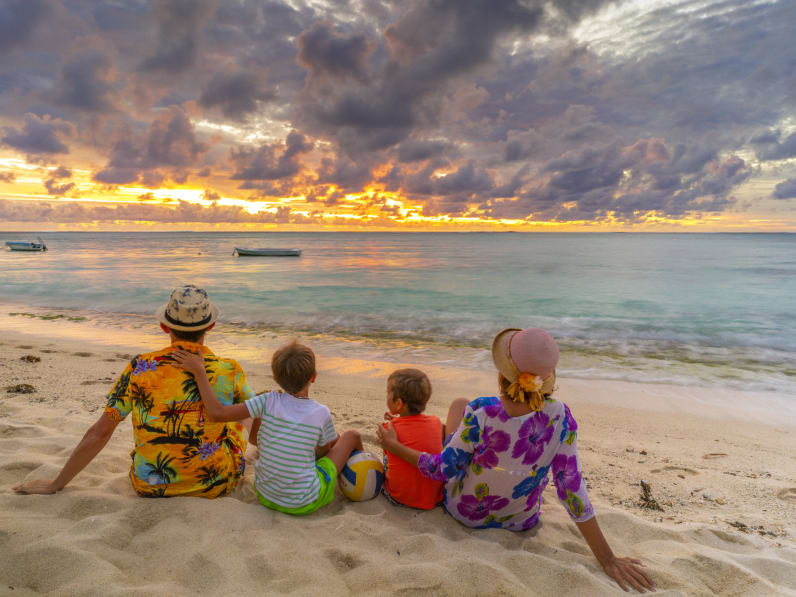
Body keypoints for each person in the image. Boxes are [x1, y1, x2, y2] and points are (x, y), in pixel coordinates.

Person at [377, 328, 656, 593]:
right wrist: (607, 558)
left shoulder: (481, 411)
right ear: (547, 378)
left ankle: (432, 432)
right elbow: (571, 489)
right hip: (521, 520)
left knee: (459, 405)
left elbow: (442, 470)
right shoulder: (561, 418)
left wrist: (393, 445)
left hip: (466, 513)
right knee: (464, 417)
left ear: (502, 373)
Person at [14, 284, 255, 498]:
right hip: (215, 486)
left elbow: (100, 433)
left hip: (149, 485)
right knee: (249, 409)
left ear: (164, 326)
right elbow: (260, 412)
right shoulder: (229, 369)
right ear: (211, 325)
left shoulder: (140, 367)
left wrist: (55, 484)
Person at [171, 340, 363, 516]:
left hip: (266, 495)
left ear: (275, 378)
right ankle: (363, 470)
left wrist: (199, 372)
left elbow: (217, 413)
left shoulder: (266, 400)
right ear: (313, 377)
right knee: (351, 436)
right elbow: (321, 454)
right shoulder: (321, 413)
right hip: (304, 502)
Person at [381, 368, 444, 509]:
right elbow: (415, 430)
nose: (386, 395)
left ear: (398, 404)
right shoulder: (436, 422)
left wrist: (395, 423)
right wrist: (400, 420)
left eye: (387, 392)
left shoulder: (388, 428)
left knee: (386, 457)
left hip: (399, 498)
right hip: (434, 499)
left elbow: (389, 452)